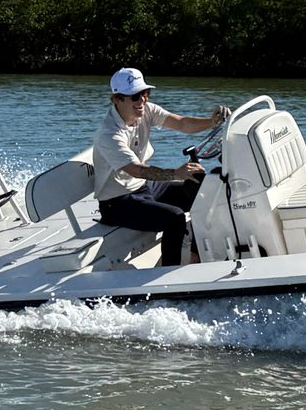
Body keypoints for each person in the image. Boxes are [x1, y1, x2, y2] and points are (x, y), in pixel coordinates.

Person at [93, 67, 228, 266]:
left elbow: (182, 124)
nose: (142, 100)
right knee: (175, 218)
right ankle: (167, 274)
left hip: (144, 188)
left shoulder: (146, 110)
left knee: (202, 191)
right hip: (118, 202)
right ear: (117, 99)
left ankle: (195, 256)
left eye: (145, 93)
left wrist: (213, 121)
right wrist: (177, 173)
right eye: (135, 96)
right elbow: (137, 170)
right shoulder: (109, 134)